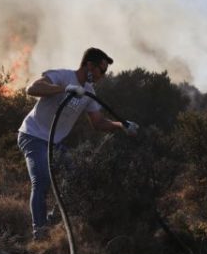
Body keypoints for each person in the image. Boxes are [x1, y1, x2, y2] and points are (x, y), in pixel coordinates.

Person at [17, 47, 138, 240]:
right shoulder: (62, 76)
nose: (102, 75)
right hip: (32, 135)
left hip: (54, 143)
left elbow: (98, 123)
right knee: (41, 180)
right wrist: (64, 89)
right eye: (101, 70)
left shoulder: (89, 92)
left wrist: (122, 125)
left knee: (76, 179)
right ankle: (39, 233)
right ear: (89, 65)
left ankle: (52, 220)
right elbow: (32, 89)